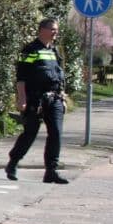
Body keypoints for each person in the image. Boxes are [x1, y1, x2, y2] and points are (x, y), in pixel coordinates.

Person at [5, 17, 68, 184]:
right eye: (52, 29)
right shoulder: (30, 50)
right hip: (35, 99)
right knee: (30, 133)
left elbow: (59, 76)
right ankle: (13, 162)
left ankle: (51, 171)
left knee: (56, 133)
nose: (55, 32)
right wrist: (22, 98)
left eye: (56, 29)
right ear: (42, 30)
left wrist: (63, 97)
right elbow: (21, 77)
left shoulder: (55, 51)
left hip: (54, 98)